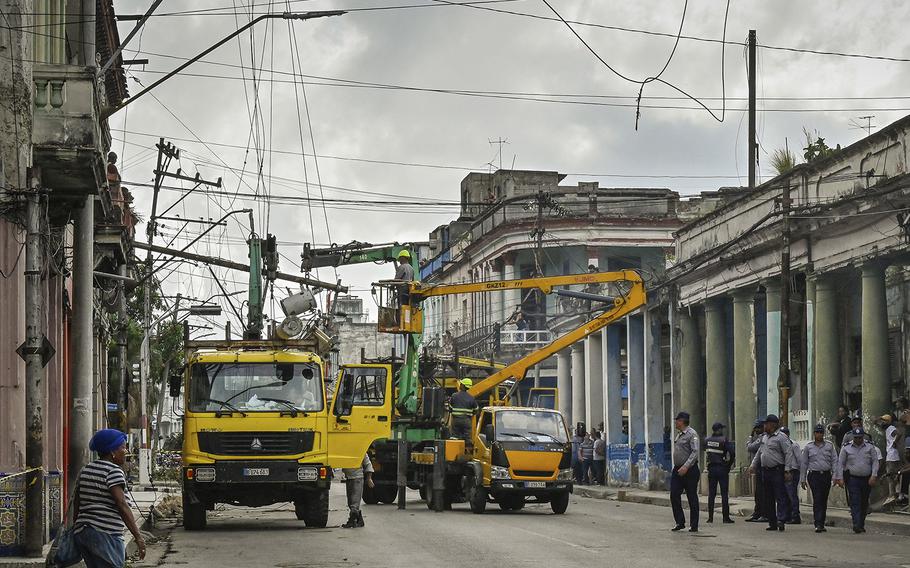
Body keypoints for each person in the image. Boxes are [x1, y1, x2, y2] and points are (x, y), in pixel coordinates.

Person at [73, 429, 146, 567]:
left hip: (83, 532)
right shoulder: (113, 471)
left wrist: (76, 525)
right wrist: (138, 537)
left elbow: (77, 502)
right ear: (112, 451)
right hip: (105, 534)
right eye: (123, 447)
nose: (126, 451)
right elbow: (121, 504)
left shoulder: (85, 469)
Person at [749, 414, 795, 532]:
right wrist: (753, 465)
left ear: (773, 425)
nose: (764, 426)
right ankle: (772, 522)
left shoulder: (781, 437)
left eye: (766, 424)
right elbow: (760, 452)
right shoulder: (764, 437)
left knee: (780, 496)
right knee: (768, 497)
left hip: (777, 470)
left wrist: (787, 470)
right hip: (766, 471)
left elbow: (788, 453)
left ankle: (781, 519)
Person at [834, 427, 878, 533]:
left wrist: (874, 475)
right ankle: (856, 524)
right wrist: (839, 478)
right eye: (856, 438)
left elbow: (875, 462)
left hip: (866, 479)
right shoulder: (846, 448)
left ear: (863, 437)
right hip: (853, 479)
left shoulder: (870, 447)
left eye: (860, 438)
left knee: (864, 503)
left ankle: (861, 523)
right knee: (855, 502)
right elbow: (840, 463)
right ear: (853, 437)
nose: (858, 440)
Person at [800, 424, 838, 533]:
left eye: (821, 432)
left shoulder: (829, 446)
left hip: (826, 475)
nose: (819, 434)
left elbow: (834, 461)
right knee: (817, 498)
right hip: (814, 475)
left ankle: (822, 521)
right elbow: (804, 463)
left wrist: (835, 475)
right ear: (814, 434)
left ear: (823, 434)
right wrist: (802, 479)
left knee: (823, 499)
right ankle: (818, 523)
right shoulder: (808, 447)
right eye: (817, 432)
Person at [670, 411, 700, 532]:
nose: (675, 422)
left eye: (677, 420)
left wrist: (686, 466)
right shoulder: (679, 435)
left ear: (681, 421)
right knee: (674, 495)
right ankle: (680, 521)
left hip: (689, 470)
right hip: (677, 469)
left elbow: (695, 451)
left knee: (691, 496)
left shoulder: (692, 434)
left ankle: (694, 525)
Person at [704, 422, 735, 524]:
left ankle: (710, 518)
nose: (722, 430)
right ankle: (725, 518)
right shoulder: (724, 440)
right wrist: (728, 464)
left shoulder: (707, 440)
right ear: (719, 430)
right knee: (724, 494)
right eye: (721, 428)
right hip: (722, 468)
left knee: (711, 494)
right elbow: (732, 453)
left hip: (711, 469)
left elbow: (706, 452)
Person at [341, 454, 374, 528]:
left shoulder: (361, 450)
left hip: (357, 478)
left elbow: (368, 464)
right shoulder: (345, 449)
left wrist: (369, 479)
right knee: (350, 501)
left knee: (354, 502)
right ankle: (359, 520)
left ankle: (352, 521)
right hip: (349, 478)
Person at [745, 419, 767, 523]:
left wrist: (750, 437)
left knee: (762, 492)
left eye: (758, 427)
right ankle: (757, 512)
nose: (757, 430)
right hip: (757, 467)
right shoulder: (759, 437)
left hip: (762, 467)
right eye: (755, 428)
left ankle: (763, 513)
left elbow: (750, 447)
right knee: (758, 493)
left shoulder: (762, 438)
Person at [780, 426, 802, 524]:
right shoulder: (780, 445)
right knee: (784, 495)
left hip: (793, 471)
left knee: (792, 494)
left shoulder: (794, 445)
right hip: (783, 471)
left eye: (785, 433)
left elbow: (800, 460)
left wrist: (802, 475)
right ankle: (787, 515)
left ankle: (795, 516)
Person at [878, 414, 902, 502]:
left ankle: (892, 495)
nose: (882, 422)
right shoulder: (887, 429)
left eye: (884, 421)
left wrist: (895, 442)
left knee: (891, 476)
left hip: (892, 456)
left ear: (888, 421)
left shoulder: (891, 428)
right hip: (891, 455)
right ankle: (895, 495)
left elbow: (899, 433)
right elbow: (875, 422)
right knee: (892, 476)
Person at [393, 250, 415, 323]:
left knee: (401, 307)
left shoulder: (402, 267)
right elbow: (413, 279)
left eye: (400, 259)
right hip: (409, 291)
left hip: (402, 290)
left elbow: (397, 279)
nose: (399, 261)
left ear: (403, 258)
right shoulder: (411, 268)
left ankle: (401, 322)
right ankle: (407, 321)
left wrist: (392, 286)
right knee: (407, 306)